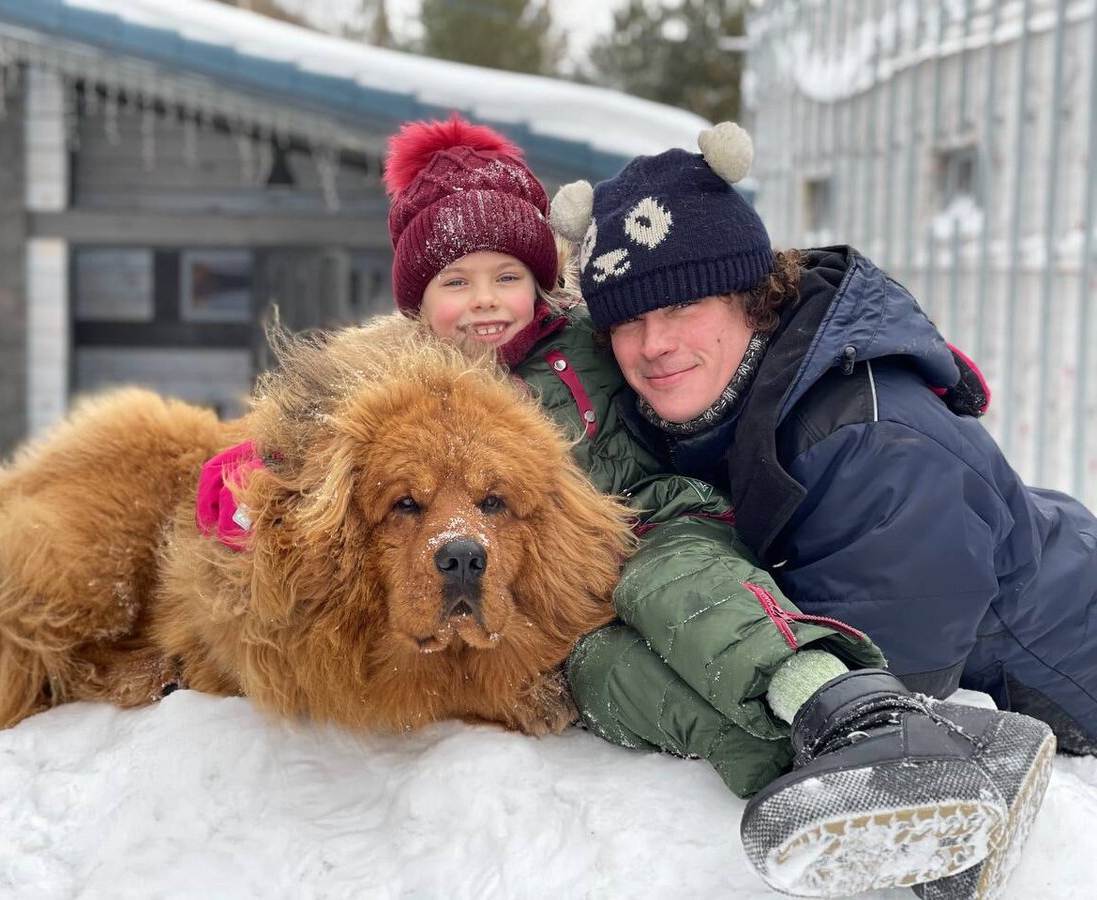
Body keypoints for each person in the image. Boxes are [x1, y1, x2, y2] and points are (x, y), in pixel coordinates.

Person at [383, 115, 1052, 899]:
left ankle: (854, 713)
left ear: (542, 283)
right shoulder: (397, 385)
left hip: (648, 524)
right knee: (605, 676)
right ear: (413, 305)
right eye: (453, 283)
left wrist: (900, 365)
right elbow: (308, 436)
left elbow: (716, 307)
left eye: (506, 277)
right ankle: (848, 788)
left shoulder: (582, 342)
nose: (485, 302)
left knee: (681, 594)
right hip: (560, 608)